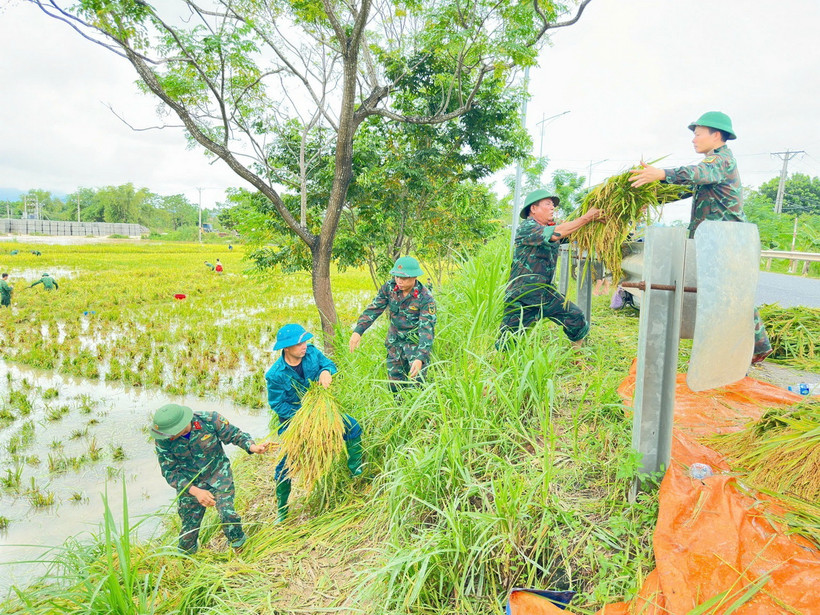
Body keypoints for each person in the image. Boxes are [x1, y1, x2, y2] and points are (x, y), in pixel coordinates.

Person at [628, 111, 772, 364]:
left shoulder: (721, 161)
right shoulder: (711, 166)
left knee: (730, 296)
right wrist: (646, 194)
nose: (693, 140)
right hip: (712, 241)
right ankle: (750, 348)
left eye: (698, 134)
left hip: (725, 241)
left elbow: (695, 174)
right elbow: (684, 187)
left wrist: (661, 172)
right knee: (725, 295)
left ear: (716, 135)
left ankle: (752, 349)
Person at [265, 324, 363, 522]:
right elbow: (278, 404)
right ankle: (282, 510)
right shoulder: (275, 374)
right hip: (294, 422)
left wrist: (326, 371)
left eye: (305, 341)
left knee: (353, 427)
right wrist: (305, 419)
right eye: (299, 343)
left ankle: (356, 471)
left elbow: (329, 365)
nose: (304, 345)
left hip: (323, 411)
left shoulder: (312, 353)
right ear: (286, 347)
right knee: (285, 464)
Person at [150, 403, 270, 554]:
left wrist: (253, 447)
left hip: (218, 474)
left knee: (228, 514)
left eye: (172, 432)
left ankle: (240, 549)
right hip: (189, 483)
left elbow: (235, 435)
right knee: (189, 529)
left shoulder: (210, 419)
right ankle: (186, 560)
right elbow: (170, 472)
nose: (170, 436)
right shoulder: (164, 439)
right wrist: (196, 492)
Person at [499, 189, 604, 348]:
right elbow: (555, 233)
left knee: (576, 317)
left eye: (553, 205)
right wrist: (587, 216)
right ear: (533, 209)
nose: (552, 207)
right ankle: (502, 366)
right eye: (548, 204)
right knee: (509, 338)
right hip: (522, 294)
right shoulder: (528, 228)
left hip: (545, 292)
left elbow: (569, 232)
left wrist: (593, 221)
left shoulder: (549, 229)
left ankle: (578, 358)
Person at [349, 256, 436, 391]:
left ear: (414, 277)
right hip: (394, 343)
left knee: (417, 385)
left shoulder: (425, 298)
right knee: (394, 385)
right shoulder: (389, 288)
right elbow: (374, 309)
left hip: (415, 345)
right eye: (396, 277)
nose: (399, 281)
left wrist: (420, 357)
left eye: (404, 278)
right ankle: (398, 410)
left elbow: (427, 330)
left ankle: (415, 412)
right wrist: (358, 331)